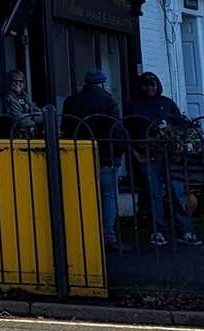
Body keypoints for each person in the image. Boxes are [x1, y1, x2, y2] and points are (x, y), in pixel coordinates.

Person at [126, 72, 201, 247]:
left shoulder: (167, 103)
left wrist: (175, 135)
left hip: (171, 156)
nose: (150, 88)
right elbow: (126, 131)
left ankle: (185, 230)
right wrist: (135, 154)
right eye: (146, 85)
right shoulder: (133, 104)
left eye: (152, 85)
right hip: (147, 155)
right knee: (154, 194)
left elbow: (181, 125)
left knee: (177, 192)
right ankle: (157, 231)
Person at [63, 69, 124, 247]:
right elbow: (116, 129)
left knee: (82, 194)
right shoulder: (109, 101)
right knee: (108, 195)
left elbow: (66, 127)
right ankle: (107, 236)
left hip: (79, 155)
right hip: (106, 154)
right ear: (102, 83)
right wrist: (119, 150)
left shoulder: (72, 101)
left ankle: (82, 232)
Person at [3, 70, 44, 136]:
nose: (18, 83)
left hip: (30, 134)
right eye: (14, 81)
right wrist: (32, 117)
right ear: (9, 82)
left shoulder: (25, 95)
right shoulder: (8, 98)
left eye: (20, 81)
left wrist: (30, 116)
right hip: (15, 136)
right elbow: (18, 119)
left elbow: (39, 113)